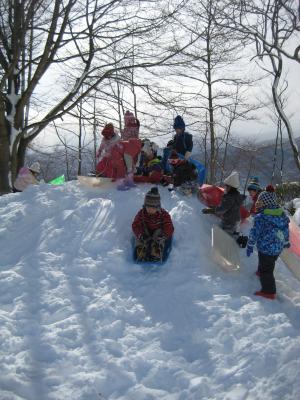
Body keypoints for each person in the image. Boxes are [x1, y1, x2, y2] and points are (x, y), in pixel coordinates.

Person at [246, 185, 290, 300]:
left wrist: (250, 244)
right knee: (268, 263)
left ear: (265, 203)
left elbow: (255, 232)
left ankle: (269, 291)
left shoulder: (261, 217)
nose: (257, 204)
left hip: (265, 248)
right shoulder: (282, 216)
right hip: (277, 249)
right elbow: (285, 230)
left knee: (267, 270)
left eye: (260, 202)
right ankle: (261, 271)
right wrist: (286, 241)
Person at [132, 187, 174, 262]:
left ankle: (156, 253)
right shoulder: (142, 213)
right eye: (148, 207)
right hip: (146, 233)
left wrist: (164, 235)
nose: (150, 210)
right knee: (141, 240)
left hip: (158, 234)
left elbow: (169, 226)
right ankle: (141, 253)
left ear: (158, 207)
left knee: (158, 238)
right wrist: (140, 234)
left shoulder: (163, 214)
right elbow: (135, 225)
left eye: (153, 208)